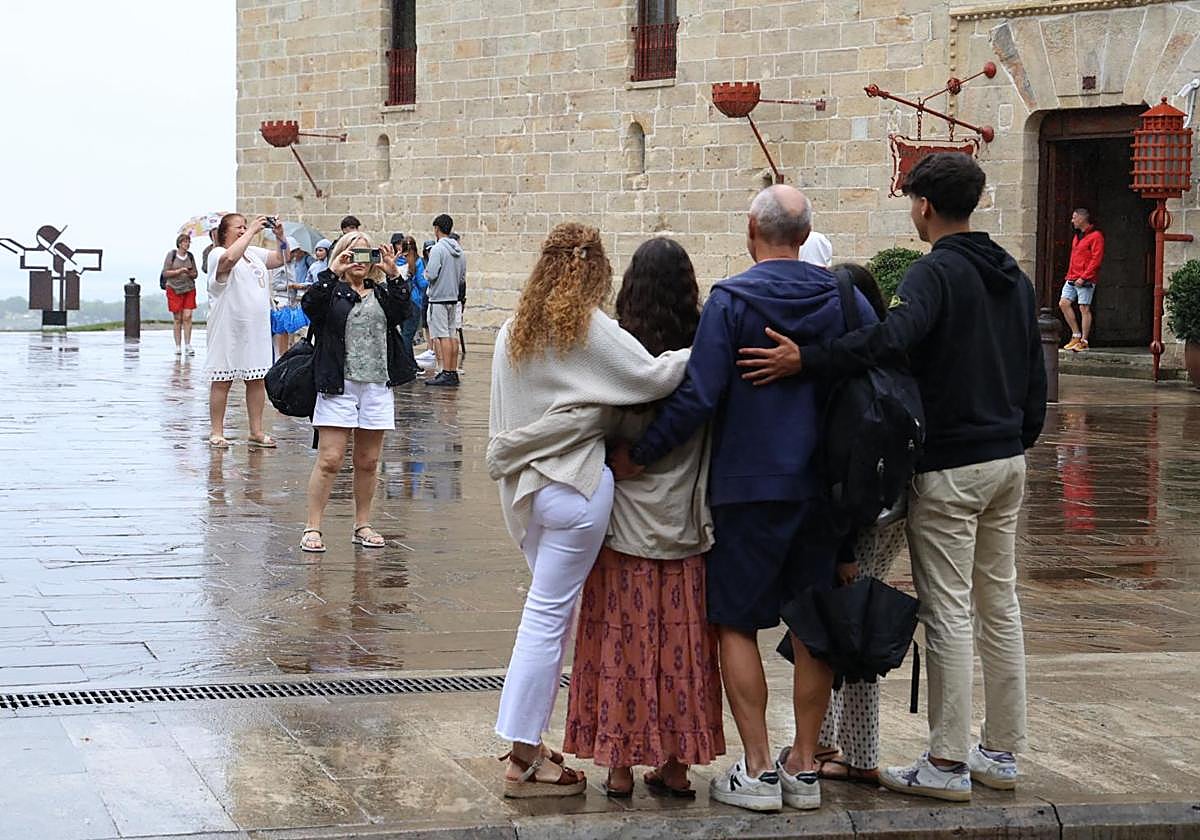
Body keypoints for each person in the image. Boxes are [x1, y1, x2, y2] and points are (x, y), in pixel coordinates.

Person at [737, 152, 1047, 802]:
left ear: (926, 207)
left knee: (950, 612)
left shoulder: (935, 273)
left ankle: (946, 762)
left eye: (911, 202)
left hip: (954, 468)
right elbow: (1035, 380)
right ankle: (1002, 752)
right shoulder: (1014, 278)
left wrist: (810, 360)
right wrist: (1014, 442)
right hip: (1007, 464)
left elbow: (890, 337)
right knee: (1001, 605)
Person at [611, 185, 877, 813]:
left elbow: (699, 396)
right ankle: (806, 766)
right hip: (824, 489)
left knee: (735, 621)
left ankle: (758, 769)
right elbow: (876, 361)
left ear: (751, 229)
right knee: (811, 625)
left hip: (748, 489)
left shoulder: (732, 300)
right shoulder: (845, 297)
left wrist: (639, 455)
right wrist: (812, 362)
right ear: (806, 233)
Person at [486, 237, 726, 799]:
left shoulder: (511, 331)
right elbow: (652, 378)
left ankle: (528, 747)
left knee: (547, 616)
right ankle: (523, 757)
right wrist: (715, 344)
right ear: (594, 273)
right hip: (576, 488)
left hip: (528, 492)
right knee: (549, 620)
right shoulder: (586, 328)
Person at [811, 262, 902, 787]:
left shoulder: (850, 373)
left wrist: (842, 549)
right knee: (846, 622)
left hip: (862, 518)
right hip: (892, 510)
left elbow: (847, 472)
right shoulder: (891, 357)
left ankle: (851, 752)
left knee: (850, 631)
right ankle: (834, 744)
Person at [299, 232, 413, 553]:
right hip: (338, 383)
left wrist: (394, 273)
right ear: (342, 255)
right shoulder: (331, 290)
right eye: (352, 253)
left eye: (365, 254)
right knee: (330, 459)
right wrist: (332, 271)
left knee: (368, 460)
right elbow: (311, 307)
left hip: (376, 384)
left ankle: (362, 523)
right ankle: (313, 526)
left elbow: (404, 311)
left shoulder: (381, 292)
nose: (359, 261)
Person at [205, 214, 289, 449]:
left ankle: (256, 431)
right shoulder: (217, 253)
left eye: (245, 226)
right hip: (227, 327)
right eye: (238, 227)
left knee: (256, 379)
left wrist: (280, 237)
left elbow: (282, 258)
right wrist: (252, 230)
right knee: (223, 379)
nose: (243, 230)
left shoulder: (253, 253)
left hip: (256, 327)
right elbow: (229, 260)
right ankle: (217, 431)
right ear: (223, 233)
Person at [424, 214, 467, 386]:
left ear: (436, 228)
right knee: (451, 334)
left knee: (442, 336)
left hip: (439, 298)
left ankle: (447, 372)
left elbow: (431, 273)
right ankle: (452, 370)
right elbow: (462, 277)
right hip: (453, 297)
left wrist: (425, 274)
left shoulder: (438, 249)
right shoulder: (459, 251)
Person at [1060, 208, 1104, 352]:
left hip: (1085, 279)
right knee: (1064, 303)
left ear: (1082, 219)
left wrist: (1084, 276)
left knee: (1084, 308)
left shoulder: (1096, 236)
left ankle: (1084, 340)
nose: (1072, 221)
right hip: (1072, 277)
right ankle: (1076, 334)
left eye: (1074, 218)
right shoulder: (1077, 237)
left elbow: (1096, 259)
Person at [271, 237, 310, 356]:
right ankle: (281, 355)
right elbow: (275, 285)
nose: (294, 255)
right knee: (283, 330)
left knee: (290, 331)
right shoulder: (279, 265)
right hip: (282, 300)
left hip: (291, 301)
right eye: (293, 252)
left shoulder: (292, 265)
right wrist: (291, 285)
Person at [162, 234, 199, 355]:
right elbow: (165, 273)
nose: (187, 244)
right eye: (184, 242)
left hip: (189, 288)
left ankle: (188, 345)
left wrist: (189, 273)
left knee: (187, 316)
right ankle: (178, 346)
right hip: (174, 288)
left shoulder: (190, 256)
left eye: (188, 242)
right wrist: (178, 271)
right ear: (179, 243)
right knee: (178, 318)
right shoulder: (171, 255)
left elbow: (195, 273)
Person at [398, 236, 428, 375]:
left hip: (400, 301)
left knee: (405, 334)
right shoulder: (418, 262)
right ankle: (406, 365)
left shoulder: (397, 260)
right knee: (407, 336)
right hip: (414, 302)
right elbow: (423, 284)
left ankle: (409, 363)